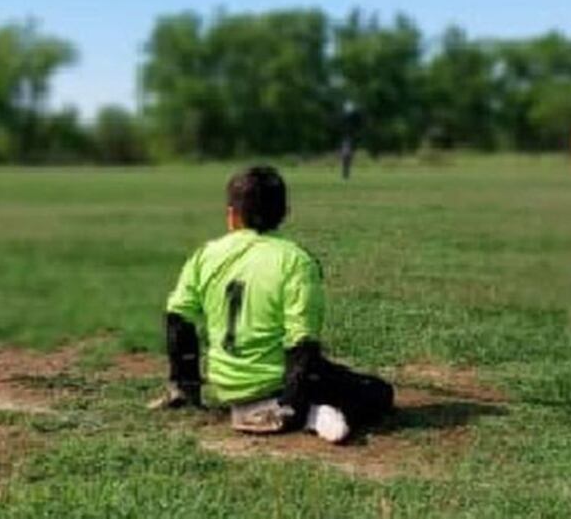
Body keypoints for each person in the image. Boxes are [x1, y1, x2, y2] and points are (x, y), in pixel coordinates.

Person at [149, 166, 394, 443]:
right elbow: (301, 342)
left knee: (333, 376)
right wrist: (291, 405)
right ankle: (309, 415)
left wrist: (185, 383)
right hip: (277, 388)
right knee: (378, 391)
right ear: (285, 213)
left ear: (231, 215)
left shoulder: (206, 255)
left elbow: (177, 318)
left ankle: (236, 403)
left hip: (227, 386)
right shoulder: (295, 260)